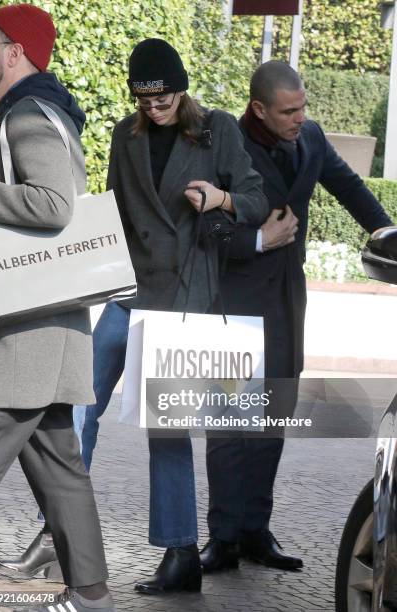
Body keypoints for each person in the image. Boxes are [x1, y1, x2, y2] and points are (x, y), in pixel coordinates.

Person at [200, 60, 393, 573]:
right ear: (258, 108)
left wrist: (386, 231)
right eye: (289, 110)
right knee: (228, 421)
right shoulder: (225, 142)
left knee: (272, 419)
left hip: (287, 300)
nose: (300, 117)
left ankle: (255, 532)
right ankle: (221, 537)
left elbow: (348, 186)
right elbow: (205, 226)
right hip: (232, 301)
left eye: (303, 106)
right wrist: (257, 240)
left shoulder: (309, 137)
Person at [110, 38, 267, 594]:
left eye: (164, 99)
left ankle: (180, 556)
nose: (154, 110)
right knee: (73, 399)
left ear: (181, 89)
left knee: (166, 428)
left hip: (181, 295)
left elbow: (255, 198)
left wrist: (220, 199)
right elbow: (115, 213)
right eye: (144, 101)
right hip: (127, 289)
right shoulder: (123, 137)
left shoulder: (216, 129)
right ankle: (53, 532)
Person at [0, 5, 115, 611]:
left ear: (14, 50)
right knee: (61, 467)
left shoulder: (30, 114)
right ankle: (91, 594)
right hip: (45, 329)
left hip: (22, 339)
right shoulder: (43, 111)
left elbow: (53, 204)